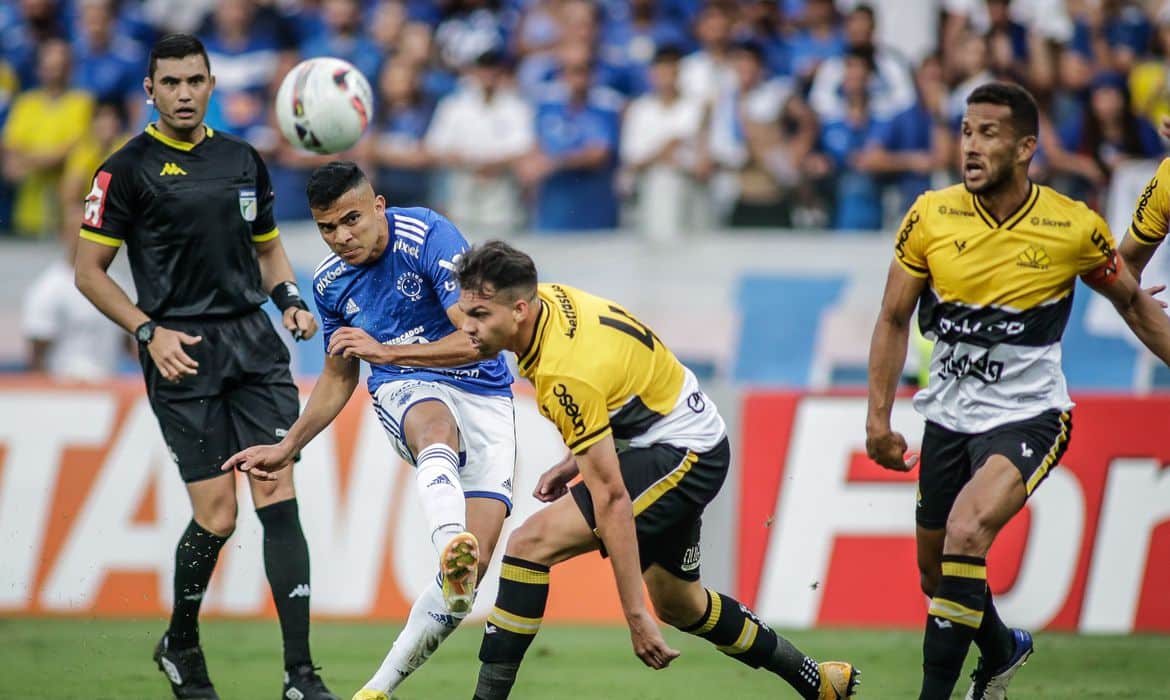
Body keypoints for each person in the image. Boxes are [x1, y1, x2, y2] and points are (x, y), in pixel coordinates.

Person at [865, 82, 1170, 700]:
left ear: (1026, 146)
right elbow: (894, 318)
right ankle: (1002, 649)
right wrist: (878, 419)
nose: (971, 147)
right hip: (948, 417)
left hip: (1031, 416)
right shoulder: (930, 215)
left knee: (967, 531)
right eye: (965, 132)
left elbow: (1133, 303)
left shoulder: (1071, 227)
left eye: (988, 134)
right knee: (937, 577)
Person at [452, 241, 860, 700]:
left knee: (530, 546)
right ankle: (818, 680)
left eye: (480, 316)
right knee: (680, 604)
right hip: (677, 429)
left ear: (520, 310)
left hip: (684, 452)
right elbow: (621, 379)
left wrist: (633, 615)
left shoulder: (564, 373)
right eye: (466, 312)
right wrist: (575, 461)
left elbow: (613, 500)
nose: (468, 327)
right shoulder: (550, 301)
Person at [72, 33, 336, 700]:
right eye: (172, 83)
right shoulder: (124, 170)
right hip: (179, 352)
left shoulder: (243, 160)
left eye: (195, 81)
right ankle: (181, 641)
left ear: (211, 83)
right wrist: (147, 329)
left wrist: (292, 304)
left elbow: (269, 249)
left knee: (276, 492)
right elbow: (88, 272)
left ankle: (300, 676)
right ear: (150, 91)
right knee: (218, 516)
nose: (184, 93)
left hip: (253, 345)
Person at [222, 161, 517, 700]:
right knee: (435, 429)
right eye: (327, 228)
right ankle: (451, 540)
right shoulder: (332, 285)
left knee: (463, 592)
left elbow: (478, 338)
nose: (342, 237)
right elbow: (339, 375)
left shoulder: (427, 233)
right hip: (407, 389)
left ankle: (376, 690)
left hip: (487, 393)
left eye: (351, 220)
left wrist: (386, 349)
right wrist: (289, 445)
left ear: (378, 206)